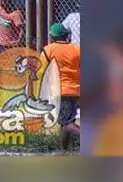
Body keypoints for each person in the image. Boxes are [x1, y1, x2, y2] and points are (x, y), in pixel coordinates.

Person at [42, 22, 80, 151]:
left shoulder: (49, 49)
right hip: (75, 90)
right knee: (67, 122)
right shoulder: (77, 49)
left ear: (52, 37)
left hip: (59, 91)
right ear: (66, 35)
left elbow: (41, 71)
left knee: (66, 123)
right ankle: (63, 151)